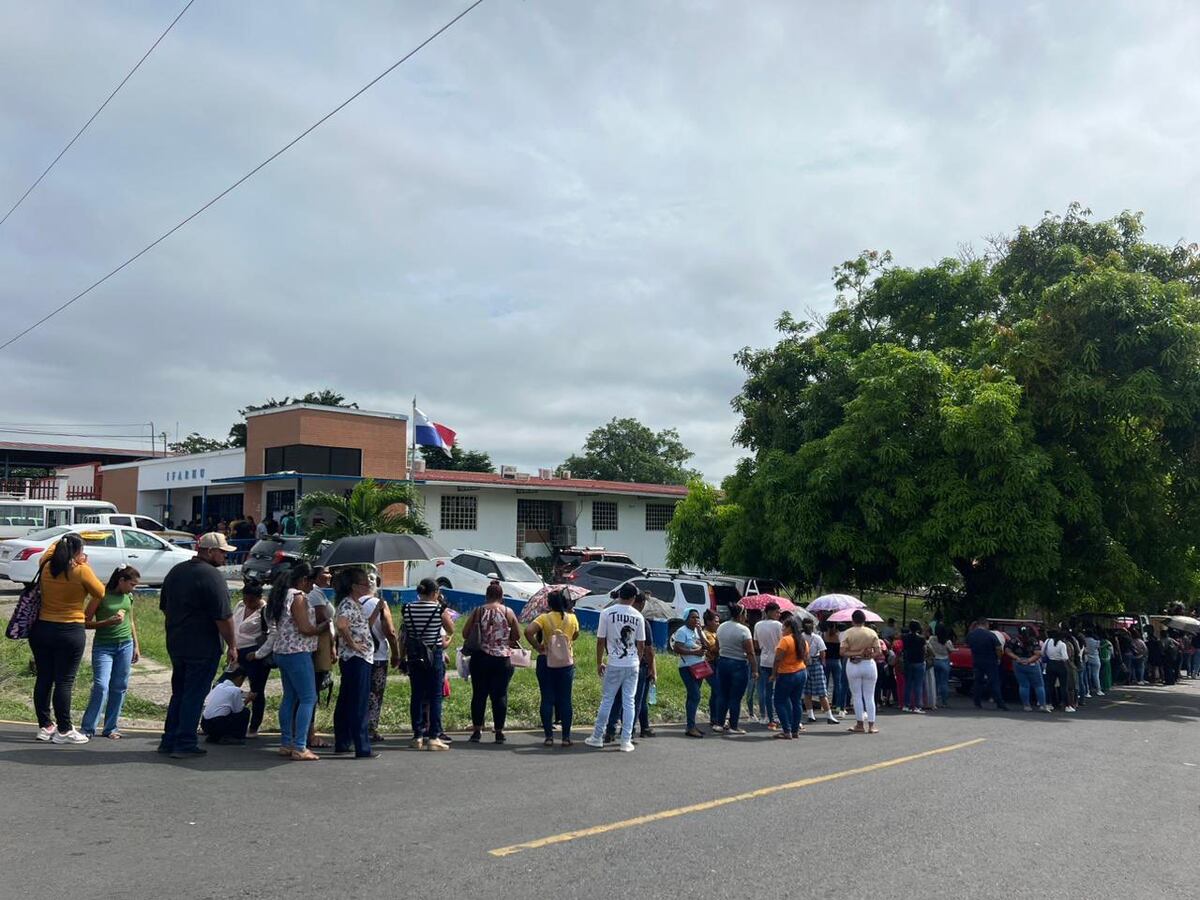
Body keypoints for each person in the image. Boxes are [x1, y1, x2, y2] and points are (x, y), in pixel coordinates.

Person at [159, 533, 238, 758]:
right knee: (194, 694)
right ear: (209, 551)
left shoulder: (177, 572)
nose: (224, 556)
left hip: (176, 642)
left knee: (180, 692)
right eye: (222, 552)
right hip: (202, 645)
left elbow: (165, 606)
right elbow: (223, 617)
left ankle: (169, 739)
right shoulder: (212, 576)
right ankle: (185, 742)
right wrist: (232, 644)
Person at [30, 533, 106, 744]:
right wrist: (83, 562)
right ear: (78, 552)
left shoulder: (46, 565)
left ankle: (45, 726)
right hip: (69, 630)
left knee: (44, 678)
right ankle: (64, 730)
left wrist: (65, 541)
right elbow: (100, 592)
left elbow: (50, 551)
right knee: (64, 681)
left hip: (42, 628)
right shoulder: (81, 571)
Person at [267, 563, 323, 760]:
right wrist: (322, 627)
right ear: (303, 580)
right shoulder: (298, 597)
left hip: (283, 650)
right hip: (297, 651)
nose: (312, 587)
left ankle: (286, 742)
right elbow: (305, 628)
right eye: (311, 583)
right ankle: (300, 746)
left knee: (290, 697)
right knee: (308, 698)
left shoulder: (283, 594)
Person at [81, 565, 141, 739]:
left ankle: (111, 727)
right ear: (121, 581)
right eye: (132, 584)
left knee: (119, 686)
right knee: (101, 686)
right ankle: (88, 728)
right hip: (104, 646)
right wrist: (106, 623)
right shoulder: (101, 595)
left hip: (125, 645)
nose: (133, 588)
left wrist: (136, 645)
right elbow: (85, 622)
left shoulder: (128, 597)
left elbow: (130, 622)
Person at [584, 583, 646, 752]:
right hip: (632, 664)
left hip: (614, 662)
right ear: (633, 598)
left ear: (619, 594)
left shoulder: (606, 613)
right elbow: (641, 644)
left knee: (607, 700)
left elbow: (600, 640)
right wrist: (638, 661)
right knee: (629, 702)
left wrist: (599, 662)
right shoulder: (638, 616)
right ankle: (626, 740)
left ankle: (597, 736)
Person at [463, 581, 523, 744]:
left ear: (487, 596)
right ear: (502, 596)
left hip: (480, 658)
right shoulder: (508, 612)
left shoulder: (478, 611)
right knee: (500, 695)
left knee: (479, 694)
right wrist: (505, 639)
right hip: (502, 659)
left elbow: (465, 633)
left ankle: (476, 731)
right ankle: (499, 732)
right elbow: (517, 635)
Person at [402, 578, 456, 750]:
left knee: (416, 694)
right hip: (434, 654)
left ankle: (417, 735)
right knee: (435, 695)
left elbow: (406, 634)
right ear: (435, 593)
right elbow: (451, 629)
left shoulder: (407, 608)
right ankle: (433, 736)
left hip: (414, 655)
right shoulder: (439, 609)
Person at [332, 568, 378, 758]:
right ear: (354, 586)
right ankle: (362, 746)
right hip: (356, 657)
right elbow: (341, 625)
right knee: (358, 702)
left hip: (358, 657)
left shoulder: (355, 604)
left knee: (347, 700)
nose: (368, 586)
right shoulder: (348, 605)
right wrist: (352, 643)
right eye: (363, 583)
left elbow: (363, 625)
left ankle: (343, 741)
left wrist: (377, 610)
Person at [525, 587, 580, 746]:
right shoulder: (572, 618)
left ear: (548, 603)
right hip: (565, 663)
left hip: (546, 660)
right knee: (565, 699)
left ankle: (549, 736)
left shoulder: (543, 618)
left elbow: (528, 631)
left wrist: (537, 646)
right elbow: (575, 635)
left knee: (547, 698)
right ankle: (566, 737)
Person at [605, 591, 657, 742]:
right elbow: (648, 648)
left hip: (616, 662)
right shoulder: (641, 620)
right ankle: (628, 733)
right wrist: (651, 667)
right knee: (633, 701)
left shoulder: (613, 618)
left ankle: (610, 730)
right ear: (638, 603)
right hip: (636, 666)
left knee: (615, 699)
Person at [231, 582, 270, 737]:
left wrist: (259, 653)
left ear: (259, 598)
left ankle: (254, 726)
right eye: (246, 599)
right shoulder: (240, 606)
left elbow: (271, 634)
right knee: (228, 685)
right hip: (238, 651)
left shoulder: (265, 611)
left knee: (256, 691)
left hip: (255, 653)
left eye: (252, 601)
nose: (248, 603)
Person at [713, 604, 757, 736]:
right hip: (738, 663)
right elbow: (750, 652)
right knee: (735, 697)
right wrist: (755, 669)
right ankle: (733, 725)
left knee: (723, 694)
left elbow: (717, 645)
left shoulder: (721, 626)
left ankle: (719, 723)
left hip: (723, 661)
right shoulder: (744, 630)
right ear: (741, 615)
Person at [364, 584, 399, 743]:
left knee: (359, 692)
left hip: (358, 654)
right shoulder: (379, 604)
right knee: (375, 694)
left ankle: (355, 726)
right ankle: (370, 729)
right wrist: (396, 653)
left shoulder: (351, 602)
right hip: (378, 655)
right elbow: (390, 631)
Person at [307, 566, 336, 750]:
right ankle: (309, 733)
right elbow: (323, 620)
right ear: (316, 576)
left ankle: (304, 731)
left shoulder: (319, 593)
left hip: (320, 646)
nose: (330, 575)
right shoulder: (315, 595)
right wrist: (333, 643)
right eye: (326, 572)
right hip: (318, 648)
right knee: (311, 691)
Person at [841, 609, 881, 734]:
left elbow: (842, 652)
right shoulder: (872, 632)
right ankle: (871, 725)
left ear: (852, 620)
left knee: (857, 695)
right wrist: (866, 655)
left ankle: (859, 724)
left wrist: (856, 654)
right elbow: (878, 652)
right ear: (865, 620)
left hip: (853, 665)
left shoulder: (847, 632)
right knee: (869, 696)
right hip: (869, 665)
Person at [670, 609, 707, 738]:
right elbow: (677, 648)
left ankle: (691, 725)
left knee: (691, 697)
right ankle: (691, 726)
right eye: (693, 617)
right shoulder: (682, 631)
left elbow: (706, 644)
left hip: (699, 666)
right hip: (687, 667)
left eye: (697, 617)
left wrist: (701, 632)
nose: (696, 620)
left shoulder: (697, 631)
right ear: (686, 618)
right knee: (695, 695)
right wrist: (694, 652)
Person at [770, 614, 809, 739]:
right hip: (801, 672)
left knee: (779, 701)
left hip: (787, 673)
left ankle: (786, 730)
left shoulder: (785, 640)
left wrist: (774, 674)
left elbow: (777, 659)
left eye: (783, 628)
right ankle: (795, 729)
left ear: (789, 628)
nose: (782, 631)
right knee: (796, 701)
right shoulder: (803, 641)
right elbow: (806, 658)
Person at [799, 618, 839, 724]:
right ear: (813, 626)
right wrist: (823, 662)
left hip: (803, 665)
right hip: (816, 664)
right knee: (822, 692)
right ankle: (829, 716)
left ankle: (810, 715)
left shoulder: (799, 637)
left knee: (807, 692)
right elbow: (822, 652)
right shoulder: (817, 638)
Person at [200, 670, 254, 744]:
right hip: (218, 724)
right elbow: (238, 710)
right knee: (245, 712)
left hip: (205, 723)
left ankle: (214, 736)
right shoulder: (235, 690)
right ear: (239, 678)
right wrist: (248, 699)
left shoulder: (219, 686)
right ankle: (234, 737)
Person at [753, 602, 783, 730]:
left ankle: (770, 717)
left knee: (767, 690)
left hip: (764, 660)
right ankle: (778, 716)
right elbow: (783, 643)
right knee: (779, 691)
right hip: (778, 660)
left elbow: (755, 644)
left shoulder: (758, 625)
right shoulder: (778, 625)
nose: (779, 614)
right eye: (777, 612)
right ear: (770, 612)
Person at [966, 619, 1008, 710]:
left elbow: (968, 645)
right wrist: (999, 658)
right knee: (994, 682)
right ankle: (999, 702)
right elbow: (998, 648)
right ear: (986, 624)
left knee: (978, 681)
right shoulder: (990, 635)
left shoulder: (971, 635)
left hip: (977, 660)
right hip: (990, 661)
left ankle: (977, 702)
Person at [1007, 627, 1051, 712]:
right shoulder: (1033, 640)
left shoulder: (1014, 640)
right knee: (1039, 685)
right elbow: (1038, 654)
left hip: (1018, 664)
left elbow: (1008, 650)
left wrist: (1017, 658)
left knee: (1023, 685)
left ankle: (1026, 705)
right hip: (1032, 664)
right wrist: (1029, 660)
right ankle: (1042, 705)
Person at [1042, 630, 1075, 712]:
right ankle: (1067, 705)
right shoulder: (1062, 644)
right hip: (1060, 665)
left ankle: (1050, 704)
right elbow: (1065, 657)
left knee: (1050, 685)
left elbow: (1042, 652)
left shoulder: (1048, 641)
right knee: (1064, 686)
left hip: (1050, 664)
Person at [700, 608, 721, 727]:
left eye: (718, 621)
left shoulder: (715, 633)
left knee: (715, 693)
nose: (718, 624)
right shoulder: (706, 634)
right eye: (715, 621)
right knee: (718, 690)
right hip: (709, 665)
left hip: (716, 664)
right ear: (708, 622)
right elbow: (713, 649)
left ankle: (714, 717)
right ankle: (717, 717)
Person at [901, 621, 927, 713]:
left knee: (908, 684)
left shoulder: (905, 638)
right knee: (918, 685)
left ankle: (906, 705)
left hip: (908, 661)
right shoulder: (921, 638)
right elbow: (924, 649)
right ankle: (917, 706)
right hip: (919, 661)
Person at [823, 621, 847, 716]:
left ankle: (824, 704)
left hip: (826, 661)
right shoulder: (839, 636)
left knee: (825, 683)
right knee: (838, 684)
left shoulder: (824, 635)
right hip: (837, 661)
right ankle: (838, 705)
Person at [927, 624, 953, 708]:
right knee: (944, 683)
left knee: (935, 682)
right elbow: (950, 651)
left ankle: (935, 700)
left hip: (935, 661)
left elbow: (929, 647)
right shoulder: (947, 641)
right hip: (944, 661)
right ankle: (944, 702)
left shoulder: (932, 639)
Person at [1083, 630, 1104, 698]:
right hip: (1095, 659)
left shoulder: (1084, 640)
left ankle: (1088, 690)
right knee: (1095, 675)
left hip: (1087, 659)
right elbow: (1099, 648)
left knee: (1087, 676)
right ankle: (1098, 690)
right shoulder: (1096, 641)